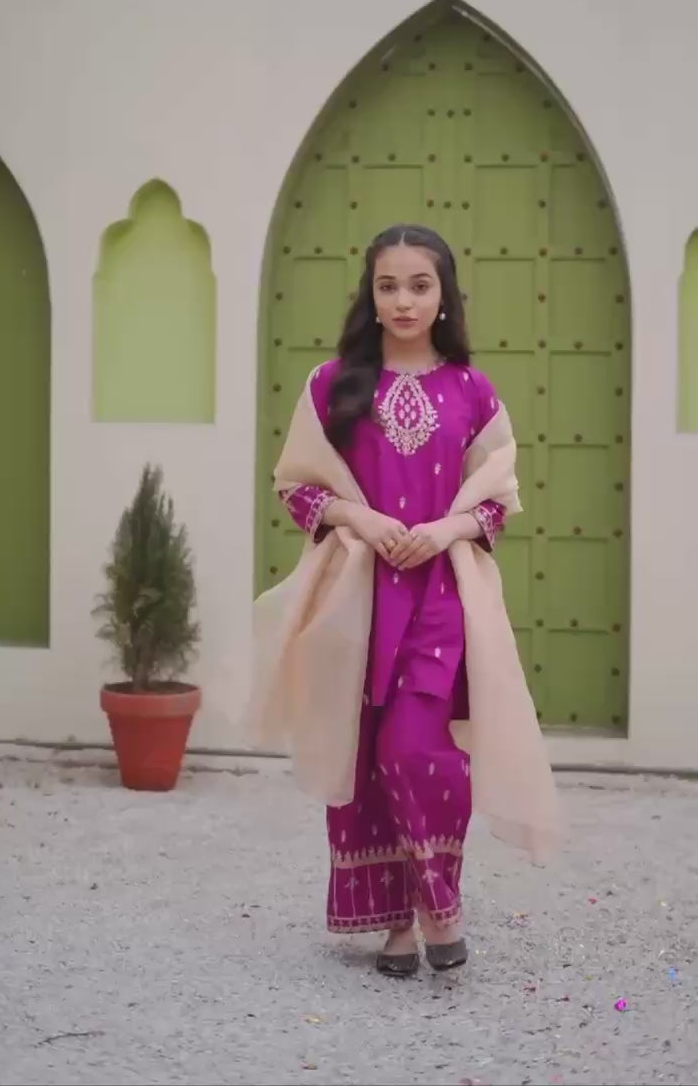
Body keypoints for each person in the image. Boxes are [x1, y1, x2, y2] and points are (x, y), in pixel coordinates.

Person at [249, 224, 561, 978]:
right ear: (371, 294)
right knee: (364, 752)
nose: (403, 301)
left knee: (416, 748)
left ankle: (439, 906)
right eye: (387, 286)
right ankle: (393, 923)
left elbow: (497, 500)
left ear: (444, 295)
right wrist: (361, 518)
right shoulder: (334, 384)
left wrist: (447, 528)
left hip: (440, 596)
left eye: (420, 285)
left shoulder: (472, 391)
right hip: (358, 601)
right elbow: (297, 488)